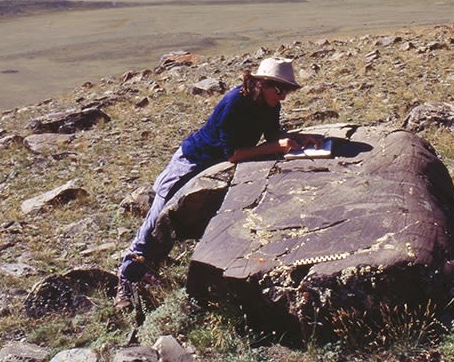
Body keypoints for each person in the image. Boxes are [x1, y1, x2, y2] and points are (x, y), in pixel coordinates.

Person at [115, 57, 322, 309]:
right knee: (158, 217)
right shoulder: (234, 102)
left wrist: (298, 138)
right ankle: (127, 278)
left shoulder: (269, 104)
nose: (283, 97)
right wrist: (276, 146)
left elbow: (272, 135)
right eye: (279, 90)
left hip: (219, 165)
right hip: (194, 160)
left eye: (286, 91)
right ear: (261, 84)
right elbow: (233, 153)